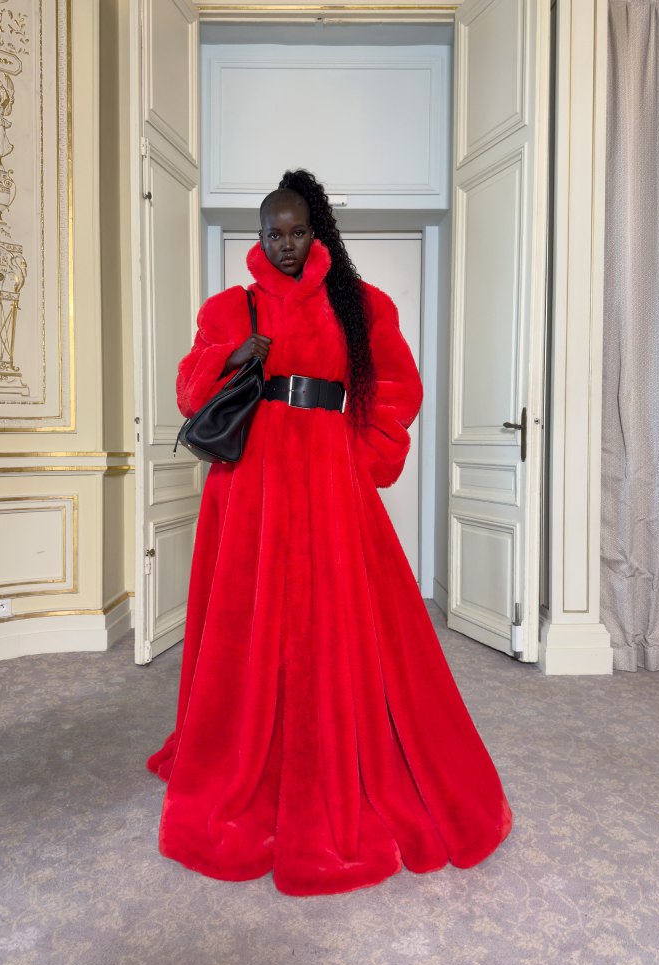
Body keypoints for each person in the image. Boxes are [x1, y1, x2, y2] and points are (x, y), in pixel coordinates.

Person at [147, 169, 512, 896]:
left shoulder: (361, 305)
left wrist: (361, 458)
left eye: (297, 231)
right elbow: (189, 393)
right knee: (250, 623)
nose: (285, 245)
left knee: (343, 621)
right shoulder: (230, 307)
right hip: (250, 484)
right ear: (258, 237)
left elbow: (399, 389)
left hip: (329, 477)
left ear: (317, 232)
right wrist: (230, 356)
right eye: (273, 234)